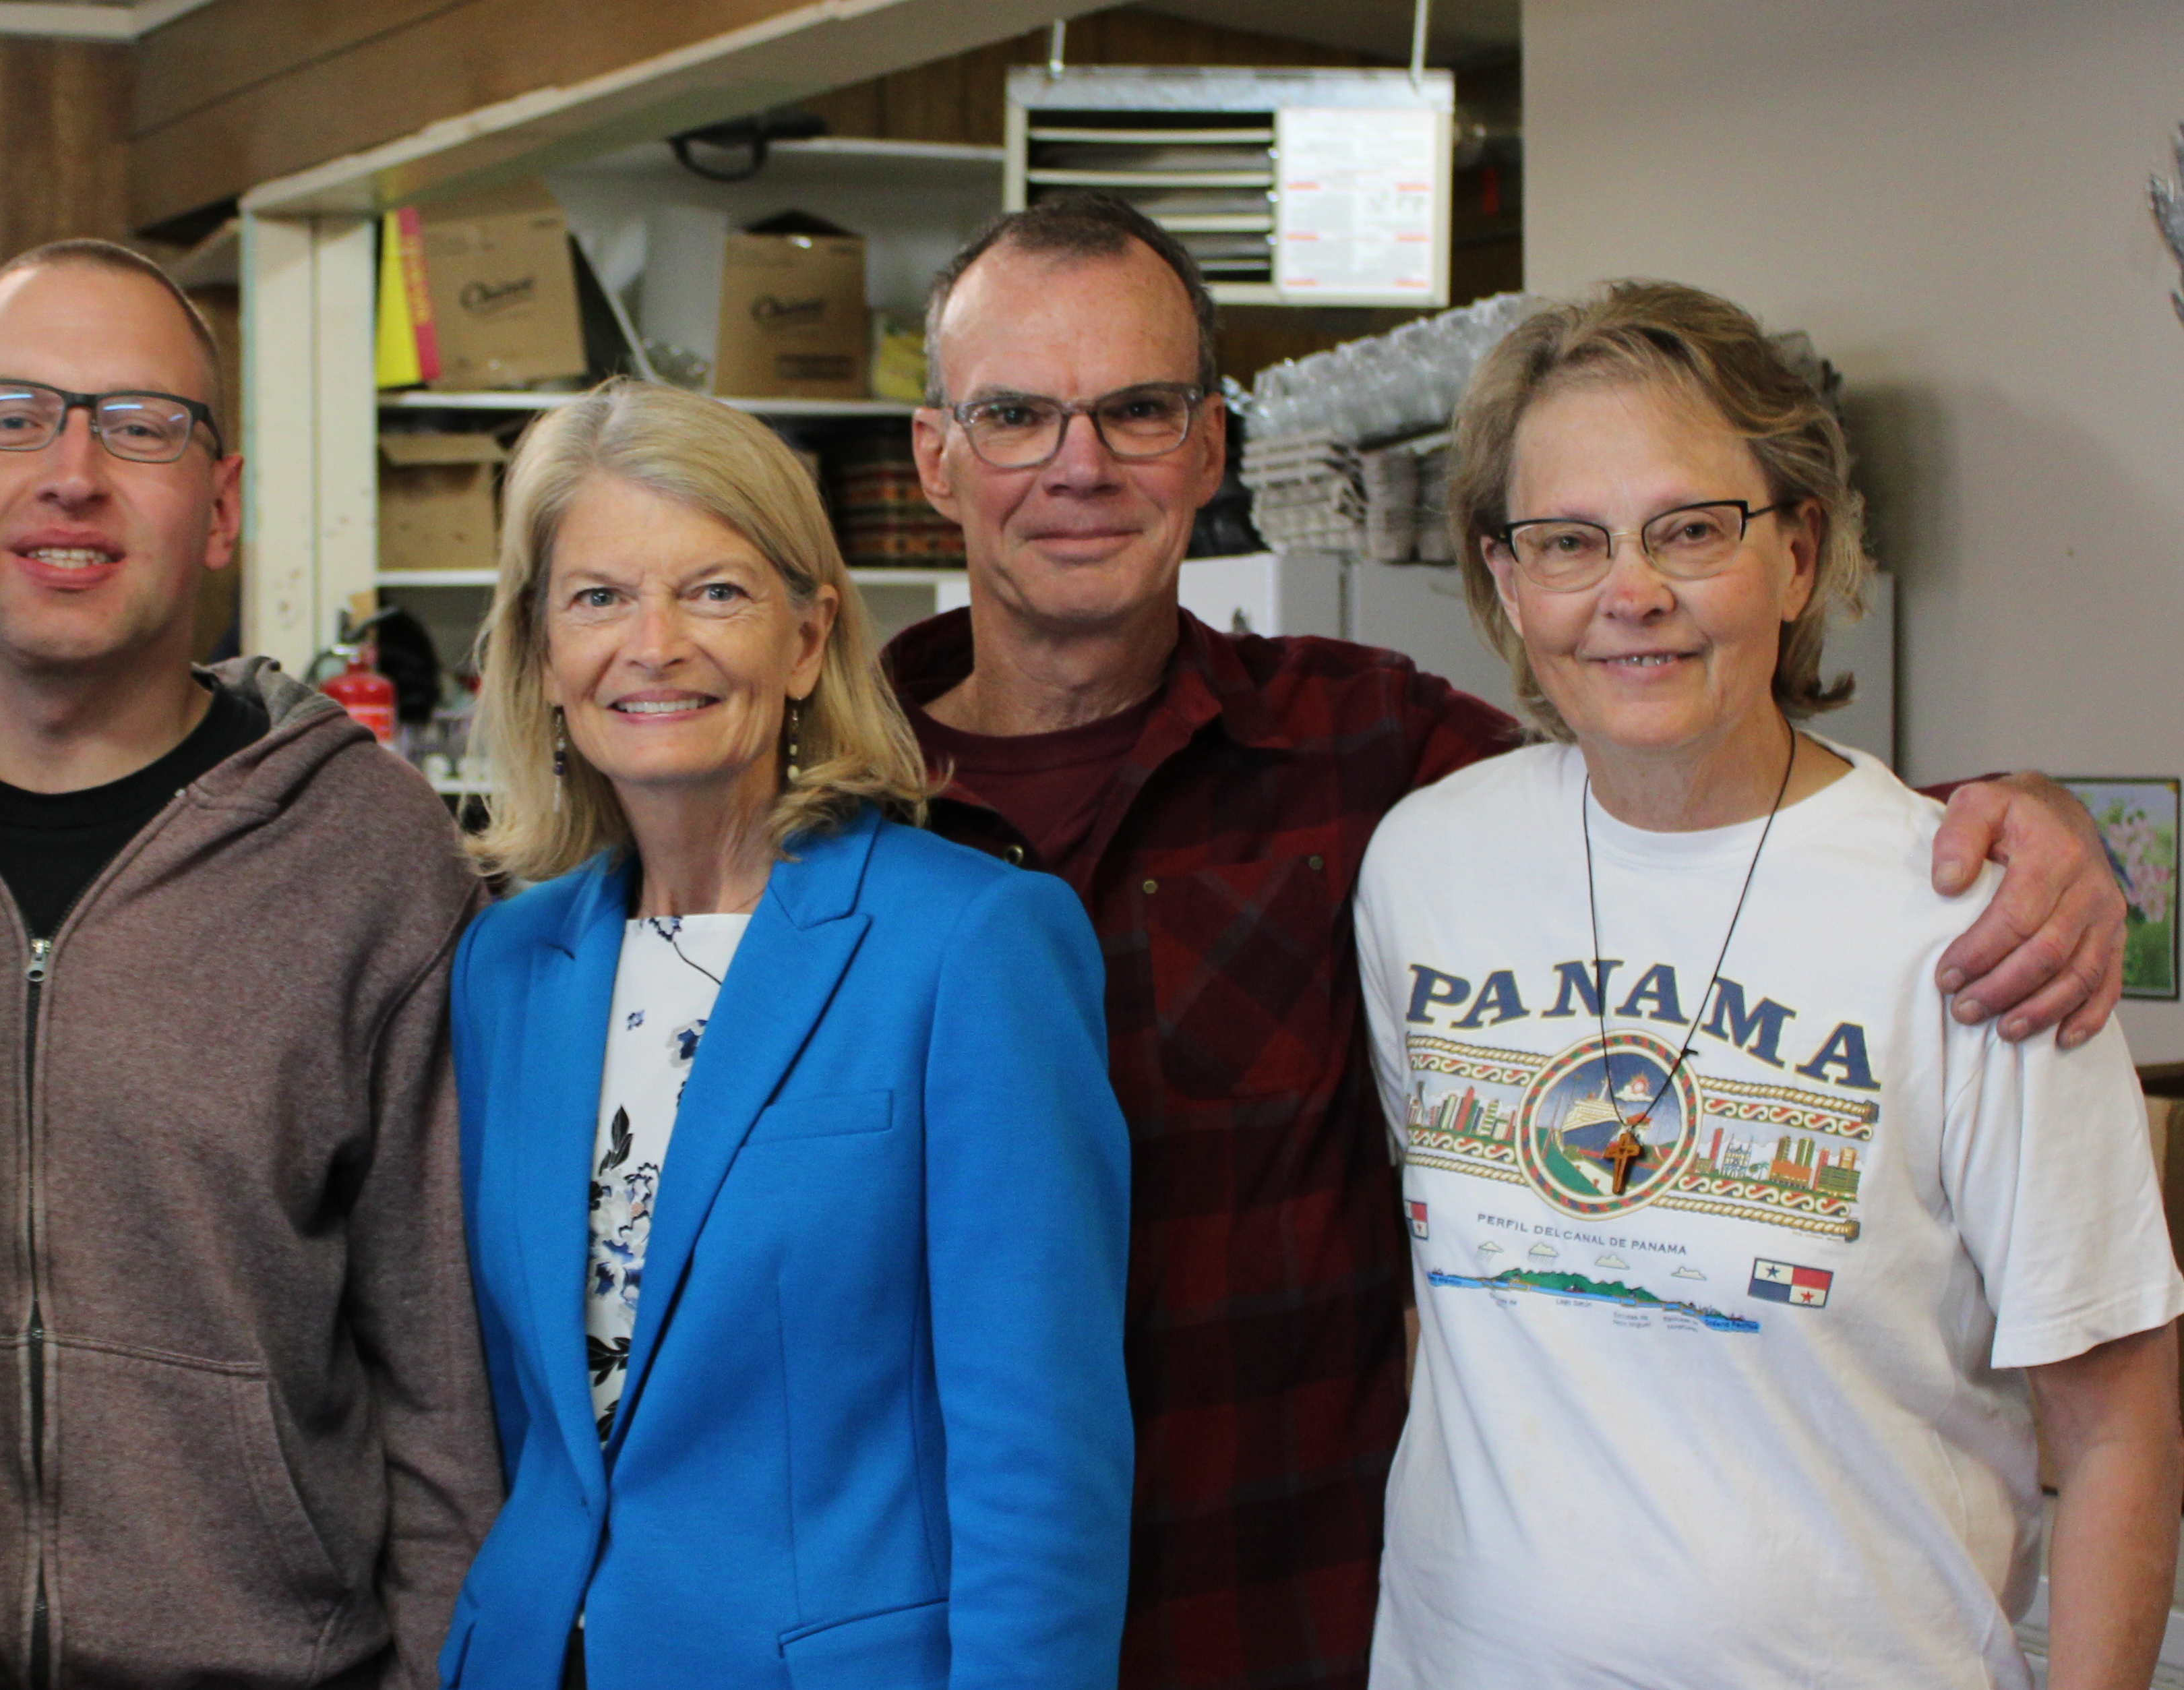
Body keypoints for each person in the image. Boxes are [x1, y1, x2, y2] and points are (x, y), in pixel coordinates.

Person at [895, 195, 2135, 1689]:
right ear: (933, 456)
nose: (1077, 463)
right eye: (1015, 414)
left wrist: (2019, 827)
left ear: (1210, 445)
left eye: (1138, 408)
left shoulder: (1365, 764)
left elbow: (1681, 770)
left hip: (1278, 1619)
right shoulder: (828, 813)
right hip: (928, 1618)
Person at [1353, 278, 2184, 1688]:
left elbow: (2115, 1428)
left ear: (1797, 555)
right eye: (1566, 539)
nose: (1631, 591)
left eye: (1689, 528)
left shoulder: (1977, 916)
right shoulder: (1425, 864)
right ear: (1502, 579)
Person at [0, 240, 498, 1690]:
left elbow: (446, 1395)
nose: (73, 472)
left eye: (141, 425)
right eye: (12, 415)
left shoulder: (368, 854)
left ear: (219, 508)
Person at [442, 380, 1133, 1690]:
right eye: (596, 597)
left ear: (808, 637)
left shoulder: (969, 943)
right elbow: (531, 1415)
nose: (652, 644)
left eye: (712, 591)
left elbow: (1037, 1457)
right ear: (537, 654)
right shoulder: (509, 965)